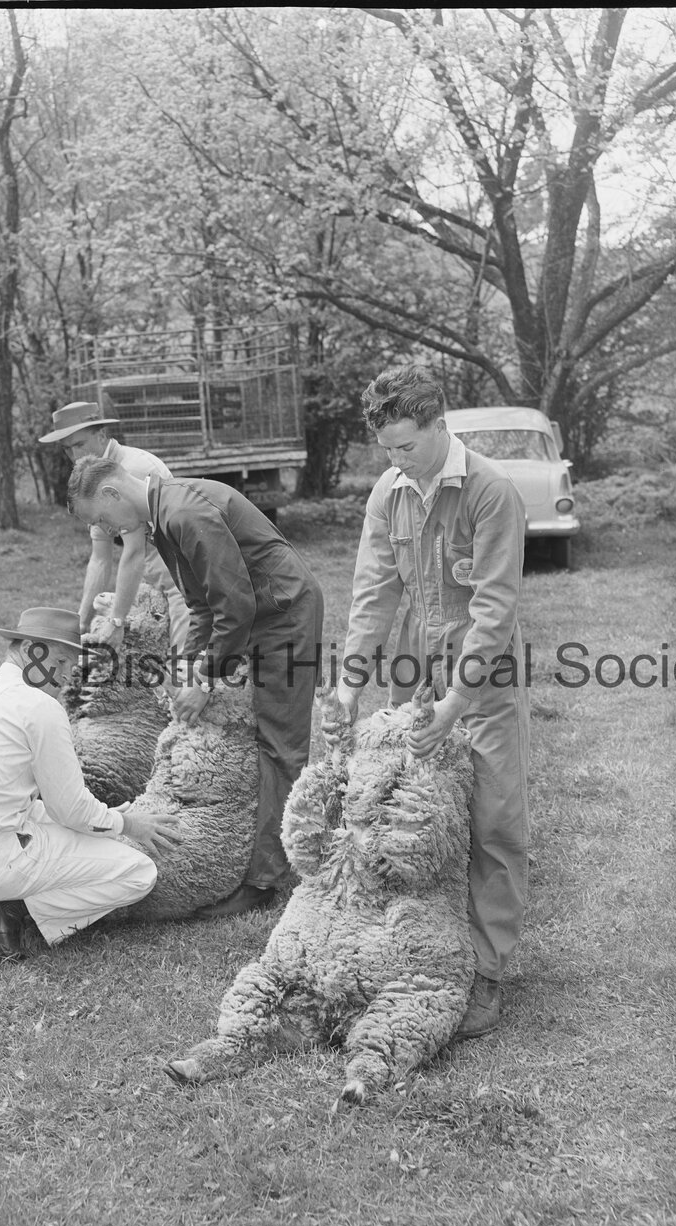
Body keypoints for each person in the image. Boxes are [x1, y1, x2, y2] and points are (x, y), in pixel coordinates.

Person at [326, 365, 529, 1038]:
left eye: (406, 447)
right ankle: (413, 952)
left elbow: (496, 610)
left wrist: (458, 703)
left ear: (441, 426)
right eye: (386, 450)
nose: (395, 461)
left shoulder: (492, 494)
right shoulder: (389, 493)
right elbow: (375, 592)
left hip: (484, 667)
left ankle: (488, 969)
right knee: (406, 814)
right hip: (415, 660)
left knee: (491, 818)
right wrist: (352, 680)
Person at [66, 456, 324, 917]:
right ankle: (249, 845)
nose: (106, 528)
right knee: (250, 736)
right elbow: (203, 606)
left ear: (110, 493)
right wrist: (188, 668)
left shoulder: (183, 513)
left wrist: (204, 680)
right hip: (254, 613)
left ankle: (265, 880)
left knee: (278, 743)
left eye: (102, 519)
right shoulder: (160, 519)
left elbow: (235, 604)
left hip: (283, 614)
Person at [0, 607, 183, 958]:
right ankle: (11, 909)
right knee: (138, 872)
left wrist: (101, 818)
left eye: (69, 668)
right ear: (32, 650)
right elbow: (72, 809)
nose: (65, 678)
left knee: (57, 823)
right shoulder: (39, 707)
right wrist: (128, 824)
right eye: (60, 663)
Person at [37, 401, 189, 650]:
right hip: (152, 582)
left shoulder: (133, 468)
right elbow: (100, 558)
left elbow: (133, 552)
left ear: (101, 435)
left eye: (80, 445)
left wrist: (117, 622)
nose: (74, 456)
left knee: (182, 671)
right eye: (67, 449)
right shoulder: (91, 477)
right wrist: (80, 624)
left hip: (181, 584)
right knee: (100, 608)